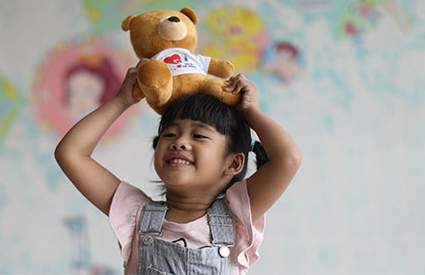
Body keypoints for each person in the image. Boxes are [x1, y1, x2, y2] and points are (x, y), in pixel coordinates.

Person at [55, 60, 302, 275]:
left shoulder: (237, 216)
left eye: (199, 136)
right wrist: (122, 100)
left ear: (233, 163)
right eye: (170, 134)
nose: (180, 142)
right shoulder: (135, 215)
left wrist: (250, 111)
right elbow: (71, 153)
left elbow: (288, 159)